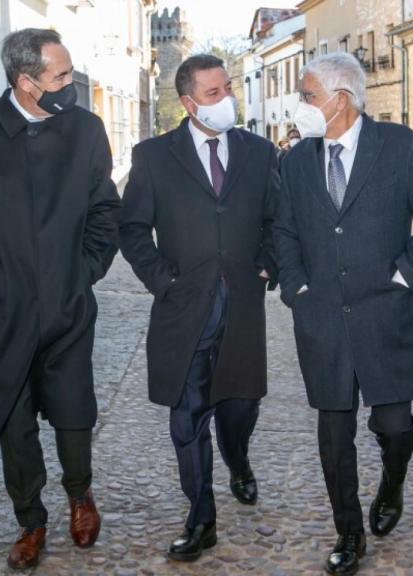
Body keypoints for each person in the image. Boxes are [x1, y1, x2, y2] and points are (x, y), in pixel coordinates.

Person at [0, 28, 120, 570]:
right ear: (26, 82)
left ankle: (80, 494)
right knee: (15, 423)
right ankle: (30, 521)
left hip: (69, 304)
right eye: (60, 76)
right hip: (4, 311)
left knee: (73, 411)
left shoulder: (85, 130)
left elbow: (105, 207)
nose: (71, 85)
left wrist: (84, 269)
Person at [274, 53, 413, 575]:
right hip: (321, 316)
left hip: (385, 313)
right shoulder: (296, 159)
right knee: (334, 434)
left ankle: (392, 486)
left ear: (341, 99)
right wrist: (295, 286)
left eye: (308, 95)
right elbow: (284, 230)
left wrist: (406, 272)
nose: (300, 105)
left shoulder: (397, 147)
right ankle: (348, 530)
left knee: (395, 426)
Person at [120, 54, 279, 563]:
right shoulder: (153, 156)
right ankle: (201, 515)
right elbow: (132, 230)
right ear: (188, 103)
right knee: (187, 415)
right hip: (184, 308)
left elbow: (280, 219)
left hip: (243, 304)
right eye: (213, 94)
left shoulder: (260, 152)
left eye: (227, 88)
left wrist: (266, 263)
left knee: (240, 405)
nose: (225, 99)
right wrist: (163, 279)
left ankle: (238, 457)